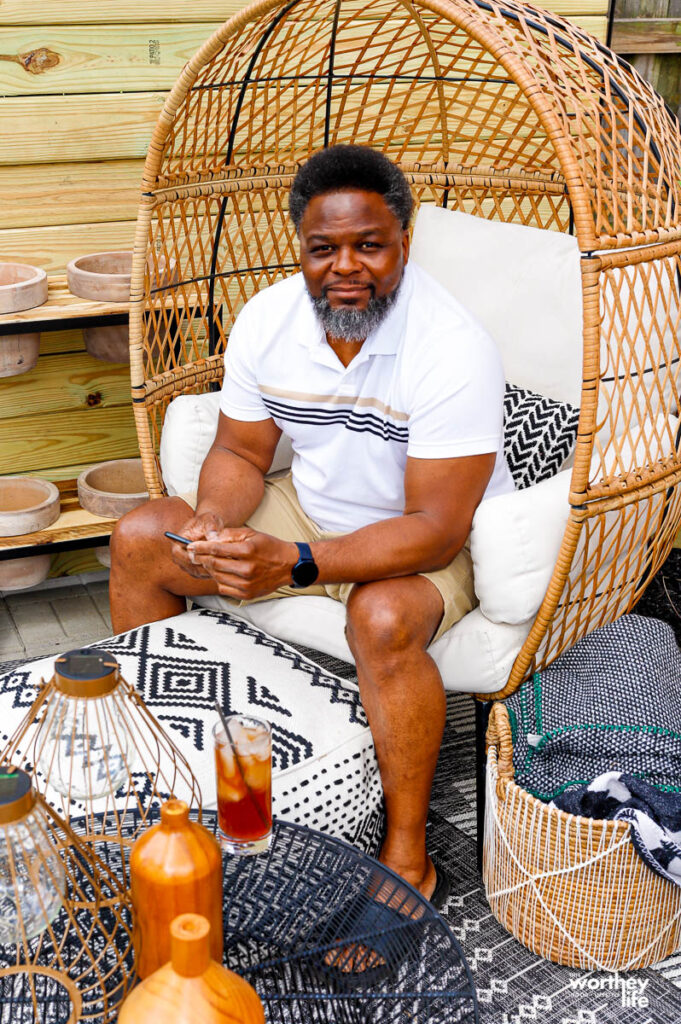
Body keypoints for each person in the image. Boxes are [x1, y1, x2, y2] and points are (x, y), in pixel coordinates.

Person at [110, 144, 514, 906]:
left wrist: (293, 561)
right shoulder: (270, 319)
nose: (346, 267)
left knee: (383, 614)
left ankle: (406, 853)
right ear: (299, 245)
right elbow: (239, 447)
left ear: (404, 240)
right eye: (323, 249)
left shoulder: (451, 348)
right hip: (310, 505)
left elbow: (433, 526)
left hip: (426, 533)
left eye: (370, 245)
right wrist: (211, 525)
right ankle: (164, 791)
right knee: (141, 539)